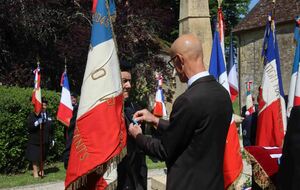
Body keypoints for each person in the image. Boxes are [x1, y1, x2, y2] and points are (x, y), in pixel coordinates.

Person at [129, 33, 232, 190]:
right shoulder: (222, 93)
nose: (175, 71)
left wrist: (138, 136)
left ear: (179, 60)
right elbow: (193, 129)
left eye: (172, 63)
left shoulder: (188, 100)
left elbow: (164, 149)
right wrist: (156, 120)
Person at [117, 60, 147, 190]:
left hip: (136, 178)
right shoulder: (99, 113)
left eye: (130, 81)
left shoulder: (136, 108)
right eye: (124, 81)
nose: (129, 85)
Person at [26, 97, 54, 178]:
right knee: (35, 157)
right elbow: (30, 127)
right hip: (35, 140)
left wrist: (52, 138)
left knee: (43, 157)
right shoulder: (33, 115)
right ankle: (35, 172)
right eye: (42, 105)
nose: (43, 106)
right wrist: (37, 122)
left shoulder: (49, 115)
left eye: (45, 105)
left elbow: (52, 128)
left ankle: (41, 170)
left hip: (45, 140)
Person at [63, 93, 79, 169]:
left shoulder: (79, 107)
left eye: (74, 98)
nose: (72, 99)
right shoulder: (66, 107)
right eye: (71, 98)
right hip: (68, 131)